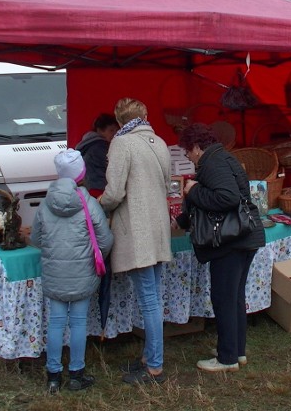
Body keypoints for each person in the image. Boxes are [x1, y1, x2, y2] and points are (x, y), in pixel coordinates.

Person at [174, 123, 265, 373]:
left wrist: (193, 191)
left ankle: (227, 359)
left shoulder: (213, 163)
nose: (188, 157)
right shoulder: (224, 158)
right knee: (234, 298)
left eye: (187, 152)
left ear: (195, 147)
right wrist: (182, 220)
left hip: (231, 242)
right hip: (245, 237)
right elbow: (219, 200)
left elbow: (227, 198)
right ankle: (236, 351)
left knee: (224, 299)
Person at [100, 98, 172, 385]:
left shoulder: (122, 143)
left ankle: (154, 365)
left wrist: (99, 205)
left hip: (138, 230)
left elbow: (115, 192)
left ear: (119, 121)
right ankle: (149, 356)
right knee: (152, 296)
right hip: (157, 228)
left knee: (149, 300)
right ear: (145, 115)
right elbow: (167, 185)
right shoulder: (160, 142)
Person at [31, 148, 114, 394]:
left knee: (56, 323)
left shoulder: (46, 204)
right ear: (81, 174)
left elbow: (36, 239)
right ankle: (76, 374)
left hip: (54, 272)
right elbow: (105, 239)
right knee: (78, 323)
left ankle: (53, 376)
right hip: (83, 272)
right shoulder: (88, 203)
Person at [75, 113, 119, 196]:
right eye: (111, 130)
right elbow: (113, 167)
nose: (115, 134)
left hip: (90, 187)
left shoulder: (89, 144)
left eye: (117, 130)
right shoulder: (100, 146)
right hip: (100, 189)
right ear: (99, 130)